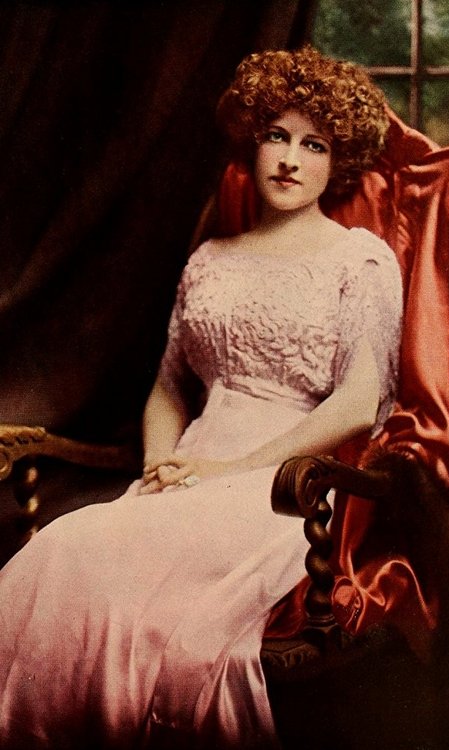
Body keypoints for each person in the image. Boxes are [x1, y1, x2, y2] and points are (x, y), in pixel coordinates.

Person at [0, 46, 402, 749]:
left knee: (125, 589)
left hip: (283, 488)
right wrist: (161, 463)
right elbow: (168, 386)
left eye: (314, 144)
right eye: (276, 135)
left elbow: (356, 405)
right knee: (66, 551)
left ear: (338, 161)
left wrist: (227, 471)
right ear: (252, 141)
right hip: (185, 473)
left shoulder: (360, 261)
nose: (290, 159)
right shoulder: (211, 259)